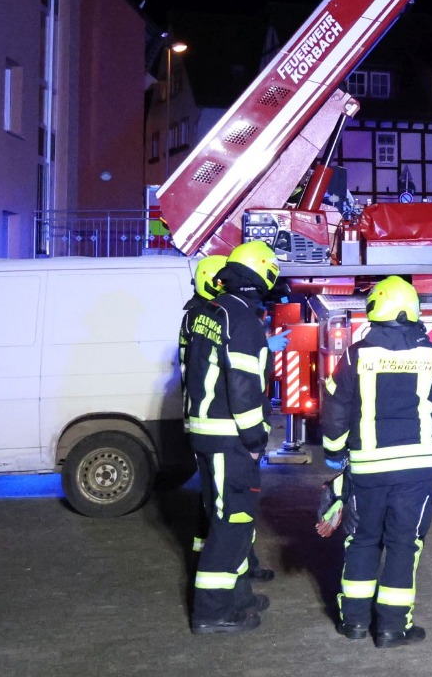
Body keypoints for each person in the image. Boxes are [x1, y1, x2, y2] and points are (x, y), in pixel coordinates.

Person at [321, 275, 432, 648]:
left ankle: (354, 622)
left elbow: (335, 408)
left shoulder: (354, 356)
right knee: (404, 545)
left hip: (367, 471)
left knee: (362, 541)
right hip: (416, 472)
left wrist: (334, 453)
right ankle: (392, 629)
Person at [180, 239, 280, 634]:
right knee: (231, 524)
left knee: (229, 520)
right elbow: (243, 386)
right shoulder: (243, 320)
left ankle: (238, 598)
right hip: (229, 438)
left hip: (205, 432)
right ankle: (211, 611)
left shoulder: (208, 311)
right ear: (262, 276)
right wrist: (255, 441)